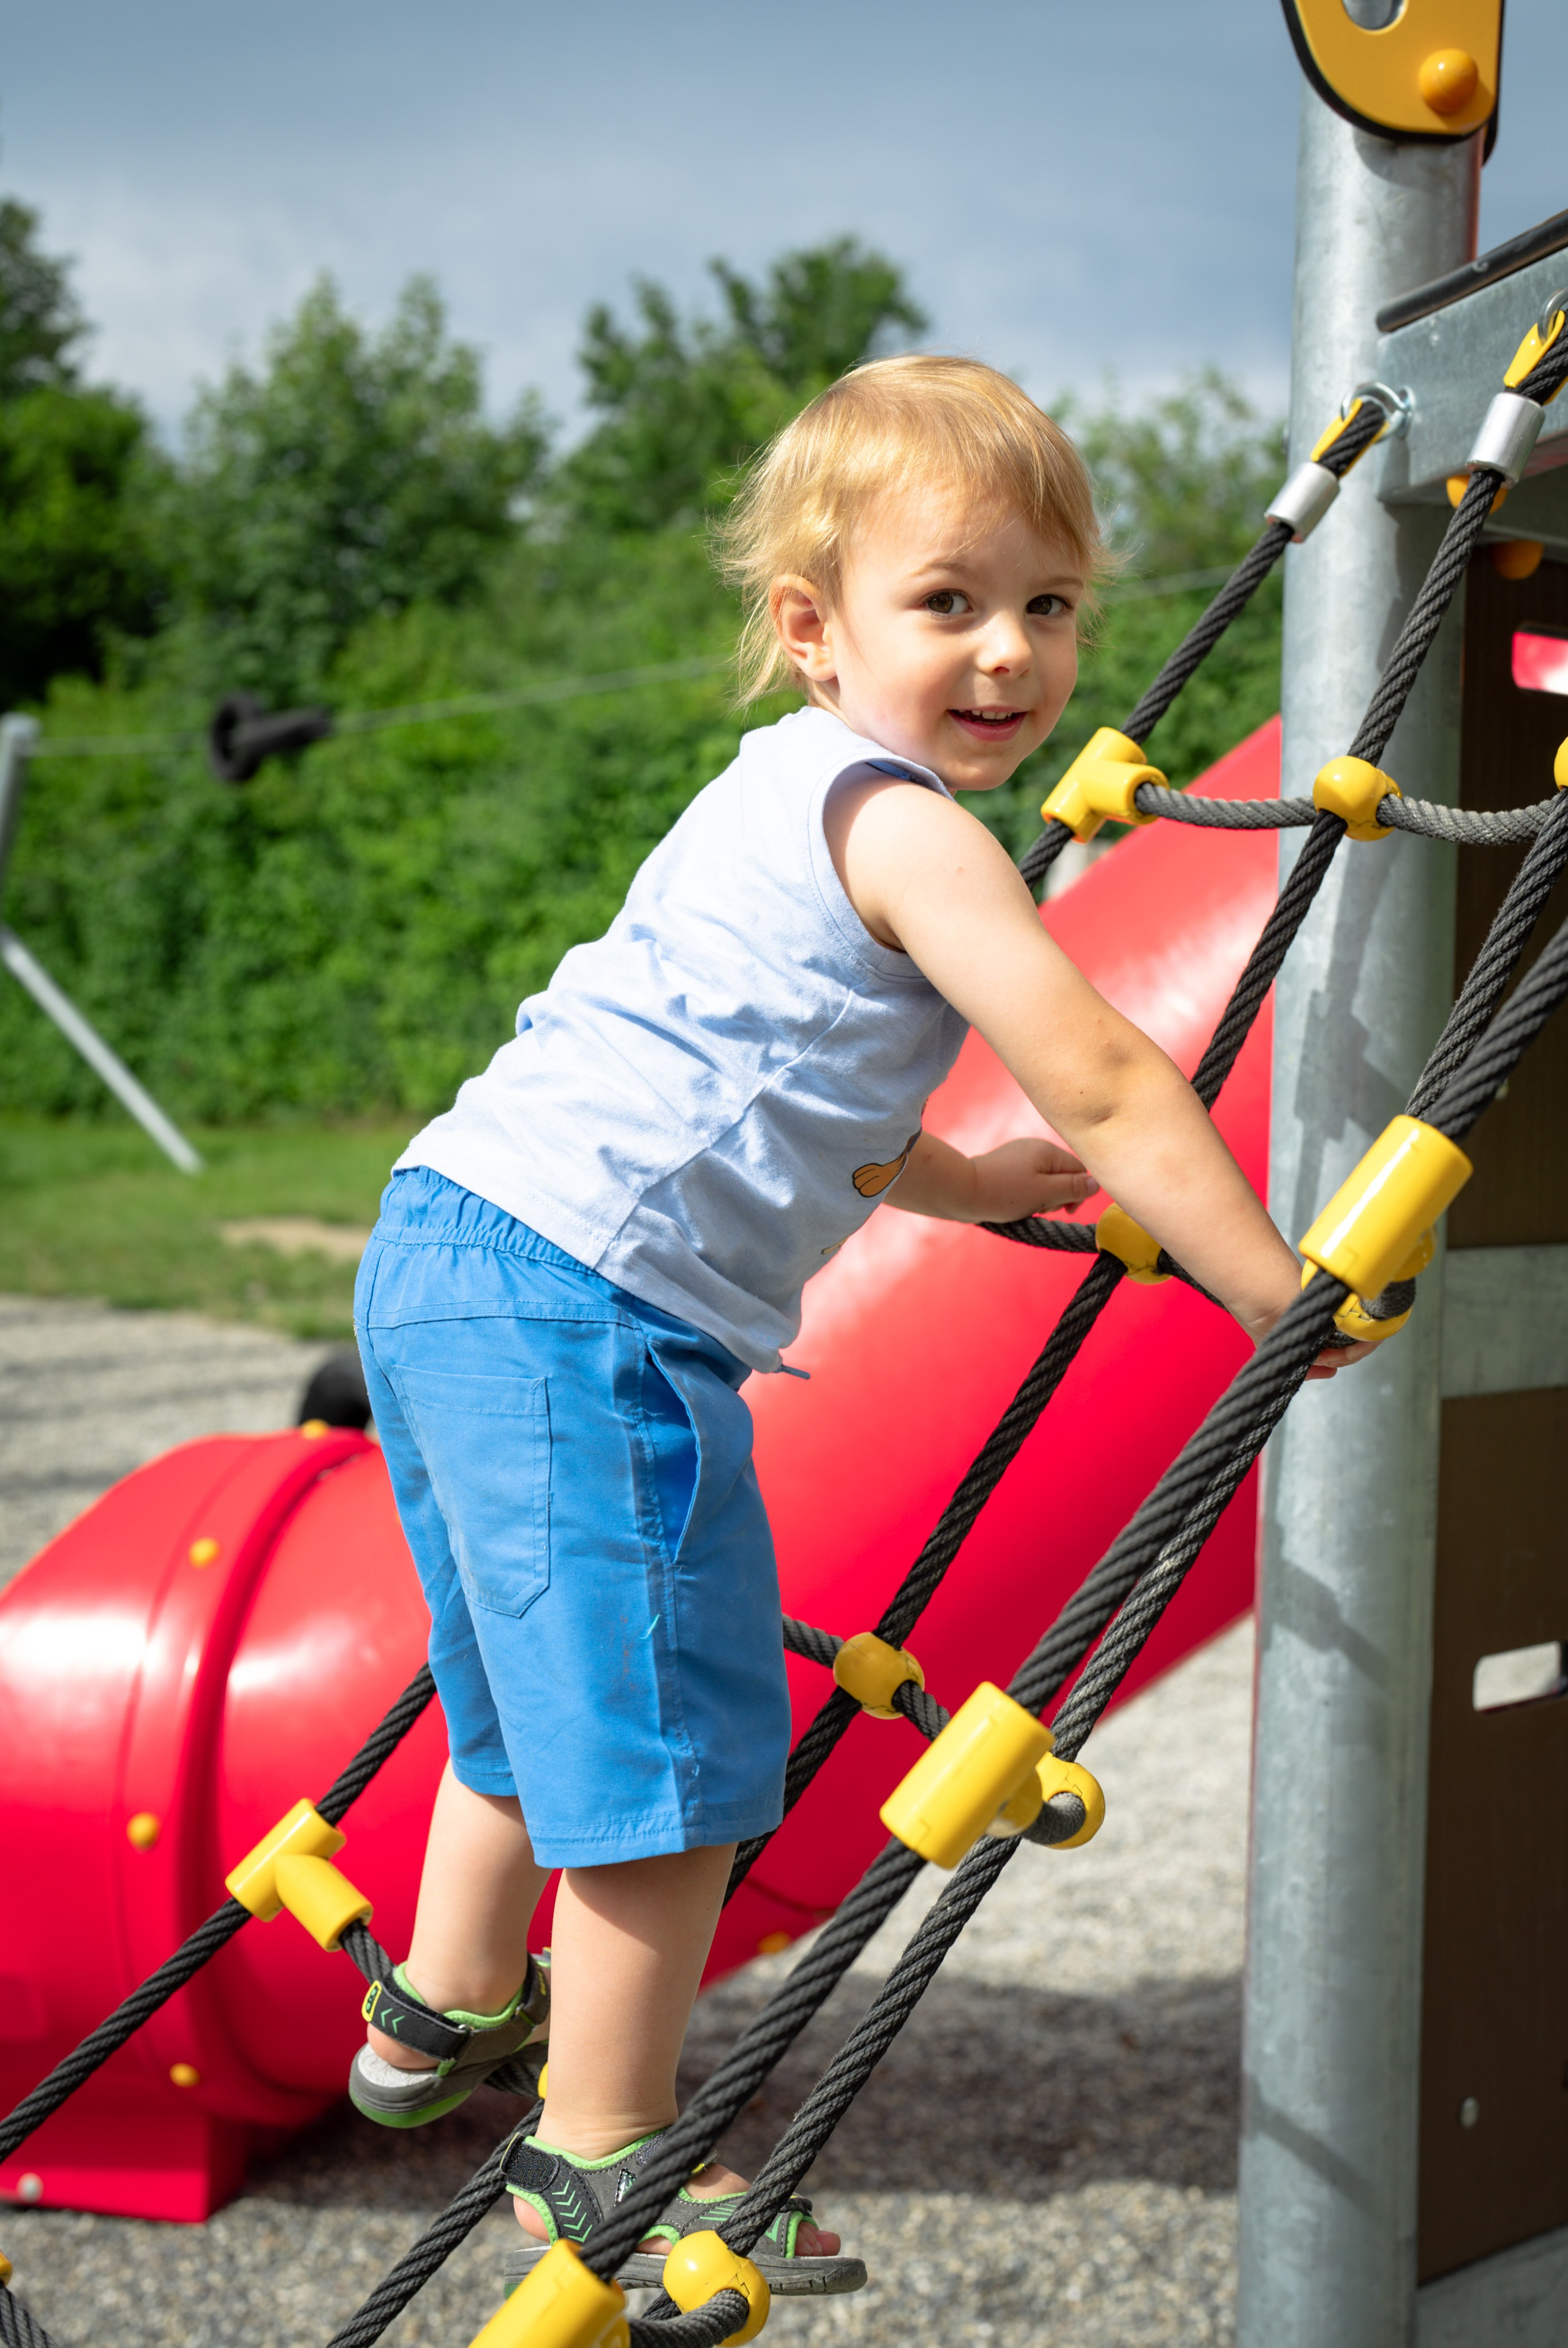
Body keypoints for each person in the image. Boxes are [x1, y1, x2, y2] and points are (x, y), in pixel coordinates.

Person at [349, 353, 1368, 2294]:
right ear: (814, 632)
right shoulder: (916, 830)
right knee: (669, 1740)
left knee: (514, 1691)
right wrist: (1275, 1289)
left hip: (450, 1241)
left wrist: (962, 1188)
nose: (1011, 656)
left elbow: (790, 1081)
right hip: (589, 1304)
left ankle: (444, 2002)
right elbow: (1102, 1072)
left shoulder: (770, 792)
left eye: (1049, 607)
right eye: (950, 604)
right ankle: (607, 2150)